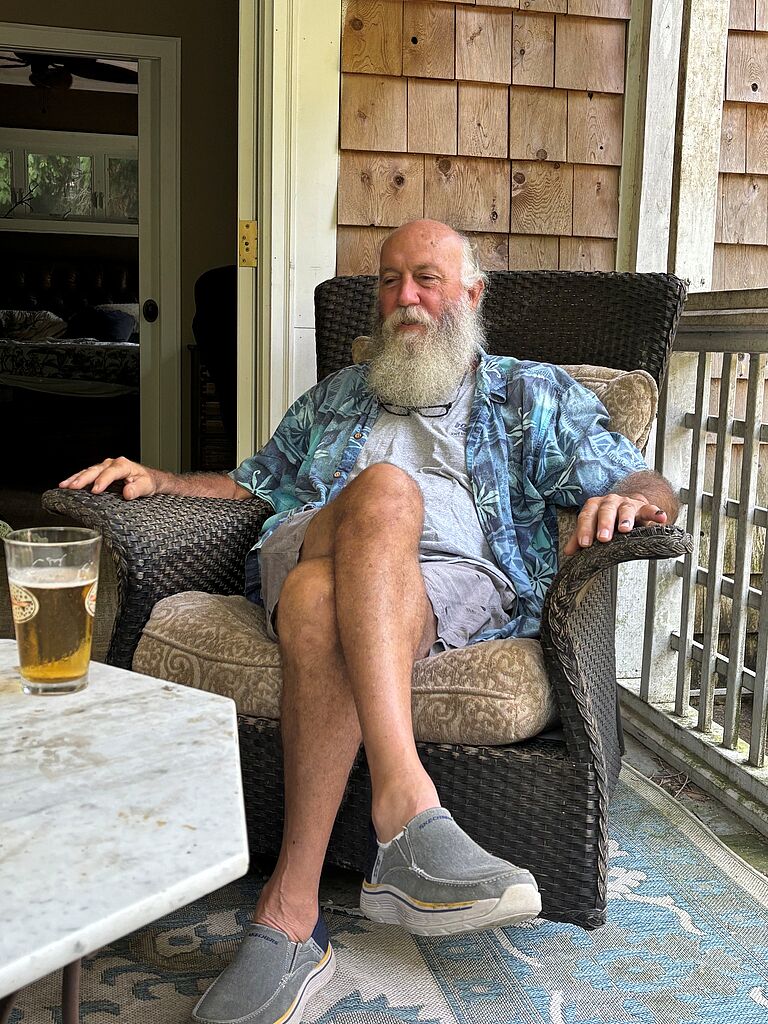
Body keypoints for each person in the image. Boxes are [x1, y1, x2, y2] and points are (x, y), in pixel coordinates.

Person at [61, 219, 678, 1024]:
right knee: (385, 490)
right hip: (309, 538)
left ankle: (288, 915)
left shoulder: (531, 394)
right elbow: (253, 486)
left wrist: (634, 500)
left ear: (471, 294)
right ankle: (407, 810)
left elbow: (645, 481)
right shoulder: (337, 396)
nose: (404, 297)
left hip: (449, 585)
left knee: (318, 602)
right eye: (389, 281)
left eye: (426, 278)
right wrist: (162, 477)